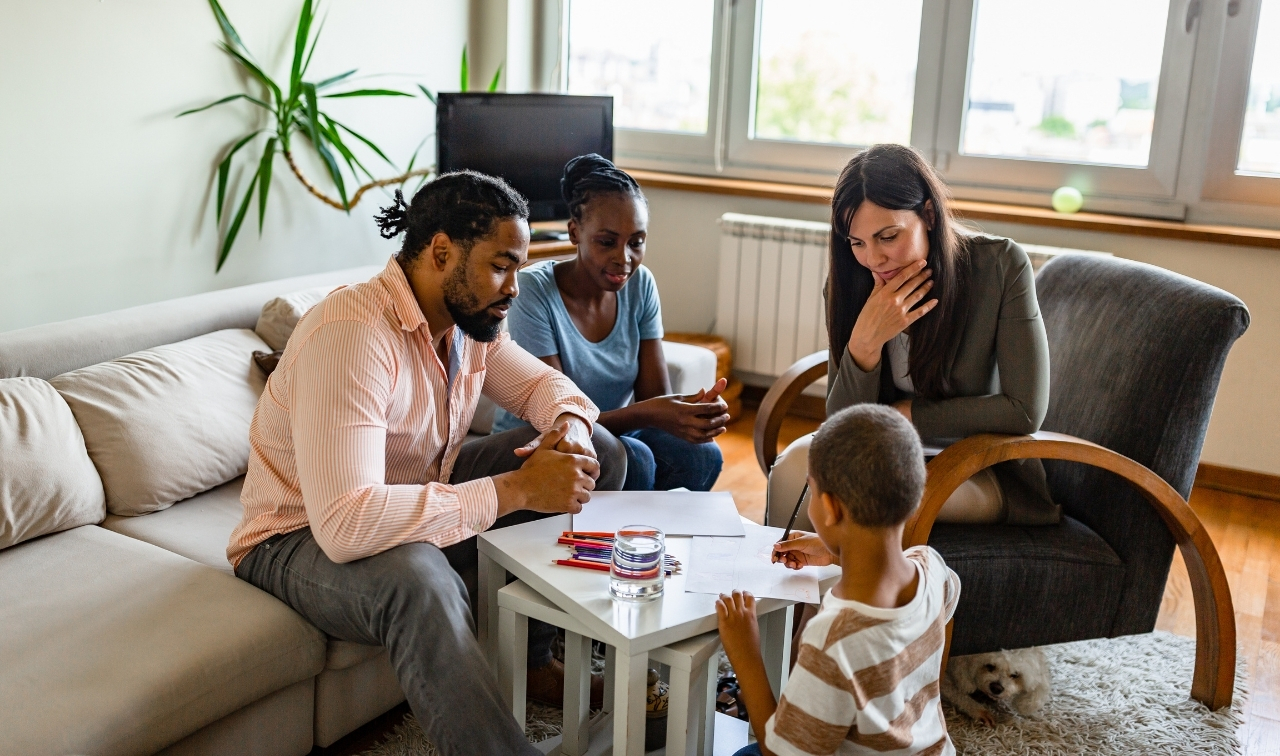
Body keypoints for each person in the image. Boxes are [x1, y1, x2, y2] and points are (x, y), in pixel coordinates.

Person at [226, 171, 626, 756]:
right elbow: (345, 524)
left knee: (601, 453)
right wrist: (514, 489)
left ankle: (539, 658)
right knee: (420, 577)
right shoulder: (354, 336)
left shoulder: (472, 324)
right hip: (296, 535)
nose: (515, 287)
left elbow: (547, 389)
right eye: (502, 265)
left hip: (414, 494)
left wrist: (567, 429)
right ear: (442, 253)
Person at [767, 143, 1059, 531]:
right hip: (884, 453)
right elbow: (841, 422)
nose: (873, 258)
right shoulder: (850, 283)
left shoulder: (999, 266)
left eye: (888, 236)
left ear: (929, 215)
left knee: (860, 491)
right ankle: (792, 592)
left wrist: (908, 415)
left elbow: (1024, 410)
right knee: (791, 469)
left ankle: (845, 592)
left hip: (976, 466)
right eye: (857, 242)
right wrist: (864, 346)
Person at [718, 404, 961, 756]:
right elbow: (925, 606)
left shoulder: (832, 639)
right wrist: (837, 552)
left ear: (831, 508)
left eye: (811, 491)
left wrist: (746, 655)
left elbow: (780, 753)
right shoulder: (931, 567)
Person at [492, 153, 728, 492]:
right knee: (635, 456)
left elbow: (653, 399)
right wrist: (656, 412)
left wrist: (691, 411)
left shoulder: (641, 284)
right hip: (540, 436)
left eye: (636, 242)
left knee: (702, 454)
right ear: (575, 232)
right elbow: (556, 412)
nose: (624, 258)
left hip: (610, 429)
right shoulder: (533, 290)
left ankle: (650, 539)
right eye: (607, 242)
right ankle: (612, 543)